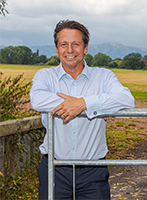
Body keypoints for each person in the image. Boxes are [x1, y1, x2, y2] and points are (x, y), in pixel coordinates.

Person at [30, 20, 135, 199]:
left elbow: (126, 99)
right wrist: (94, 105)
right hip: (54, 170)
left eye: (76, 44)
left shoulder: (104, 76)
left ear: (85, 48)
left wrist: (85, 104)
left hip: (93, 172)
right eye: (64, 44)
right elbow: (37, 99)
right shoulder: (45, 76)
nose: (69, 50)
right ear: (57, 48)